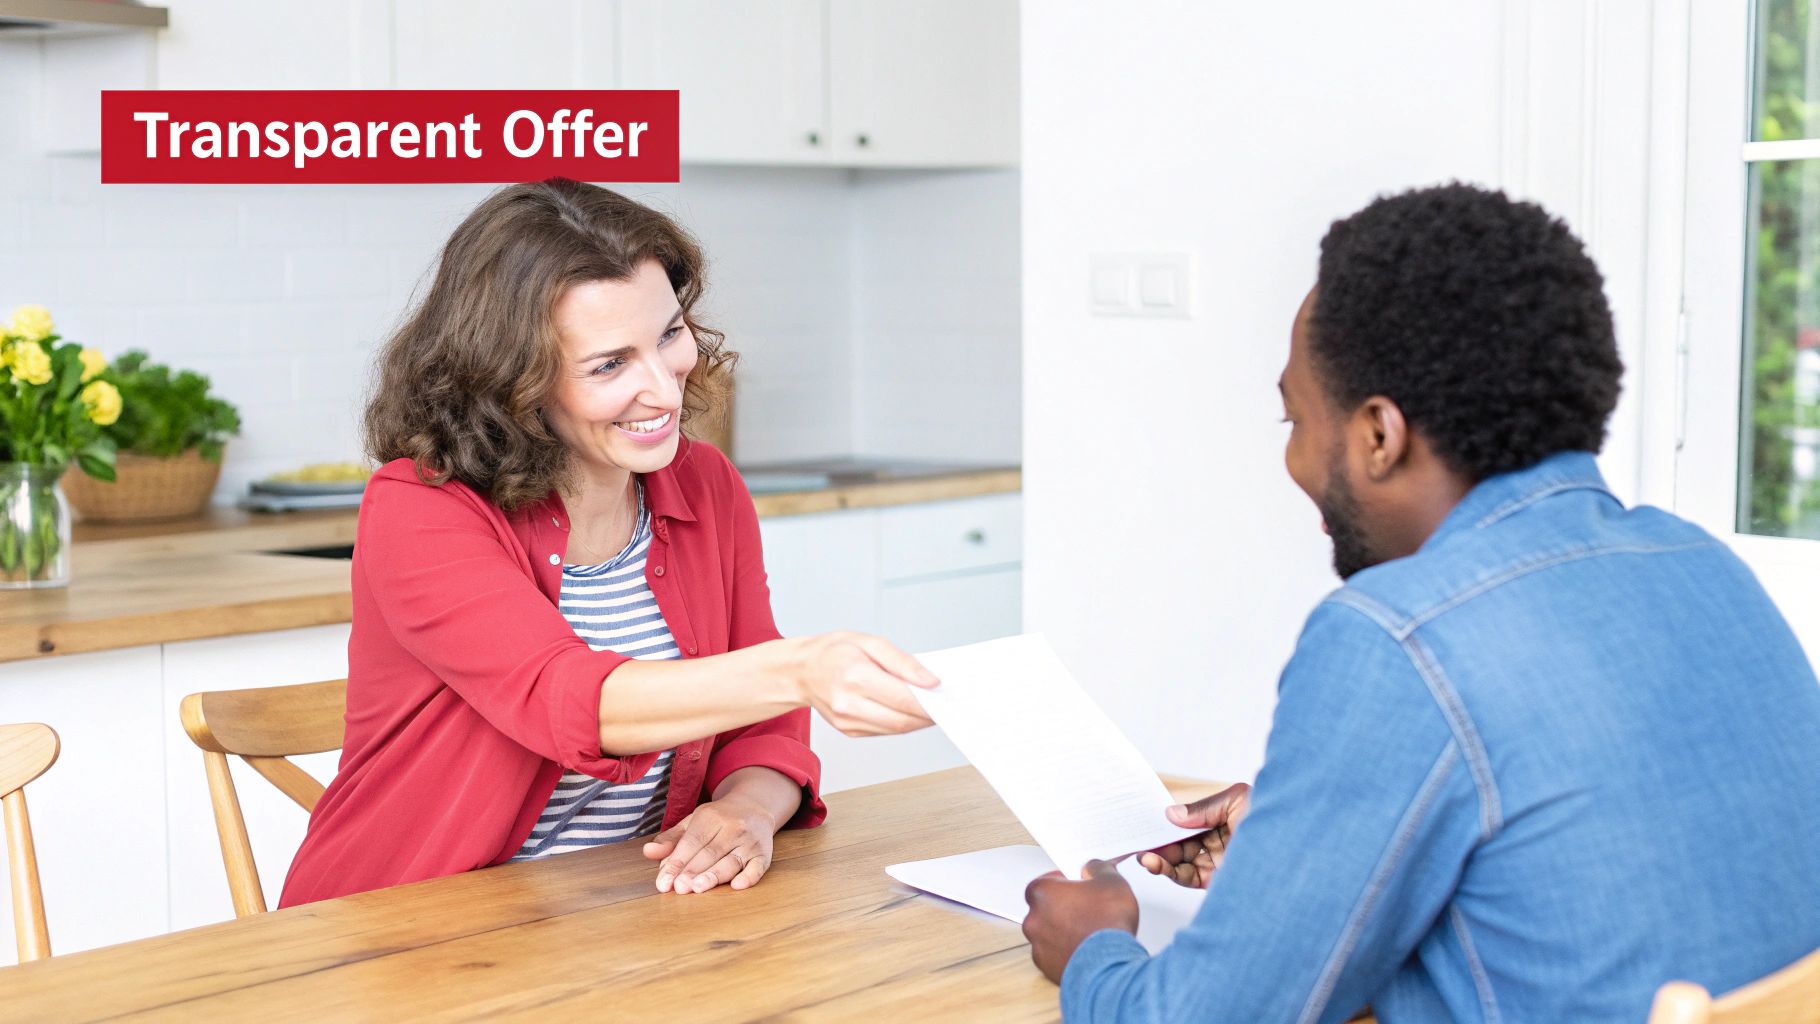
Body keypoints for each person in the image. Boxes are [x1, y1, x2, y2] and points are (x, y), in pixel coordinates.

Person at [1021, 183, 1820, 1021]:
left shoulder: (1398, 638)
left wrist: (1095, 946)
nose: (1293, 462)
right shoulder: (1697, 560)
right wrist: (1302, 842)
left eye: (1294, 420)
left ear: (1378, 435)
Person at [280, 179, 937, 907]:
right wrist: (804, 667)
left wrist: (749, 810)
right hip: (409, 926)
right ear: (512, 383)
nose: (664, 387)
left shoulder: (704, 484)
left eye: (668, 335)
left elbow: (763, 724)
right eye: (609, 365)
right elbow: (565, 699)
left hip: (629, 912)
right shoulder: (421, 506)